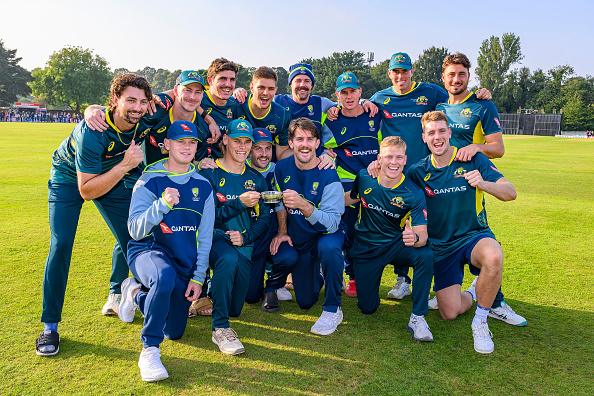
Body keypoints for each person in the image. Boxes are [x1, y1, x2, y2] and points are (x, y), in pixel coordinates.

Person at [36, 73, 152, 356]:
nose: (137, 107)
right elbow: (86, 189)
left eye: (142, 101)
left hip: (109, 175)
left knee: (133, 237)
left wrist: (208, 116)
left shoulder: (149, 112)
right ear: (115, 100)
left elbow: (182, 96)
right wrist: (124, 166)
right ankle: (50, 326)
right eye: (130, 100)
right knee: (61, 244)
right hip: (69, 179)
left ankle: (132, 292)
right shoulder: (93, 129)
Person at [368, 52, 491, 300]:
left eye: (405, 71)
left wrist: (481, 94)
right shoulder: (380, 97)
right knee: (399, 221)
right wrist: (350, 105)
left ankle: (445, 279)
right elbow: (360, 109)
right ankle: (403, 278)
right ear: (389, 73)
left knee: (430, 224)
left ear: (411, 71)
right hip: (397, 172)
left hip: (428, 171)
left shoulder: (430, 92)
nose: (400, 76)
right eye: (396, 71)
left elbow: (456, 94)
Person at [407, 111, 518, 354]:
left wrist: (483, 184)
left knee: (494, 256)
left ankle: (480, 322)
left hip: (474, 236)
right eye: (431, 133)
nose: (437, 137)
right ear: (424, 138)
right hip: (442, 246)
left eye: (441, 131)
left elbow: (510, 192)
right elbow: (394, 188)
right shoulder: (418, 171)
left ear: (450, 133)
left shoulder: (472, 159)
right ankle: (474, 291)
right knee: (450, 313)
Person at [429, 54, 525, 327]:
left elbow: (499, 149)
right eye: (451, 75)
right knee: (442, 234)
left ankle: (495, 303)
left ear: (468, 76)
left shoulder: (483, 106)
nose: (456, 79)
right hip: (440, 187)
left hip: (470, 186)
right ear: (443, 78)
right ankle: (461, 290)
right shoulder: (438, 107)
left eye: (461, 74)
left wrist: (476, 148)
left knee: (481, 244)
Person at [119, 120, 214, 381]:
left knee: (175, 331)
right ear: (167, 145)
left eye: (192, 142)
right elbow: (135, 230)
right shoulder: (149, 179)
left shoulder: (203, 186)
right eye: (180, 142)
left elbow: (204, 239)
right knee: (163, 277)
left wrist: (198, 277)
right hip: (147, 250)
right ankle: (149, 350)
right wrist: (161, 205)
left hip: (182, 259)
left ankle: (134, 292)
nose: (186, 147)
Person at [263, 118, 346, 336]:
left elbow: (331, 224)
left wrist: (303, 205)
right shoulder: (281, 168)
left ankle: (332, 308)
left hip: (325, 235)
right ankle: (320, 273)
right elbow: (279, 200)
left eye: (310, 139)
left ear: (318, 143)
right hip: (301, 239)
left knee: (329, 247)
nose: (305, 144)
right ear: (290, 143)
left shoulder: (328, 173)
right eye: (299, 139)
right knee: (305, 301)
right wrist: (282, 231)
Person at [347, 136, 434, 341]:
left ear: (405, 160)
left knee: (425, 254)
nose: (393, 162)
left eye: (398, 157)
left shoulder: (413, 192)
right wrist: (317, 207)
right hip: (366, 247)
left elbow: (422, 235)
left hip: (395, 244)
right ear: (379, 158)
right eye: (388, 157)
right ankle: (371, 292)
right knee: (367, 308)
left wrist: (414, 237)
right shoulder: (364, 176)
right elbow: (351, 198)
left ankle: (418, 317)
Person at [199, 119, 271, 355]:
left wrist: (246, 236)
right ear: (225, 140)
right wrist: (238, 203)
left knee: (235, 308)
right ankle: (220, 329)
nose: (242, 146)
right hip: (214, 238)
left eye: (247, 141)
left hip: (243, 246)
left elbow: (264, 219)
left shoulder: (256, 178)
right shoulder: (209, 172)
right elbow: (207, 218)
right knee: (227, 259)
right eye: (237, 140)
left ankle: (211, 289)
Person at [322, 72, 382, 297]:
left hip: (374, 179)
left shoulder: (374, 114)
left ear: (360, 92)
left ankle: (376, 273)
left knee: (371, 230)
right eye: (343, 92)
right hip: (345, 181)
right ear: (337, 94)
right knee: (345, 230)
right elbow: (314, 140)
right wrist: (325, 154)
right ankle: (352, 276)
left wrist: (369, 103)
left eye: (352, 92)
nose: (348, 97)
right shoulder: (329, 119)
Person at [244, 128, 292, 303]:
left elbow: (280, 203)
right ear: (249, 149)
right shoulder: (241, 169)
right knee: (250, 297)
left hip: (272, 232)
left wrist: (281, 232)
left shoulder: (279, 169)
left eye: (268, 148)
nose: (264, 154)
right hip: (252, 236)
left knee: (289, 256)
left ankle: (274, 284)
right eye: (258, 148)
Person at [235, 66, 292, 161]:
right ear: (252, 87)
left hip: (264, 165)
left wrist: (303, 151)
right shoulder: (237, 104)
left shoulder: (283, 116)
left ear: (275, 90)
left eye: (271, 89)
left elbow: (281, 154)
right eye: (261, 87)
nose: (266, 93)